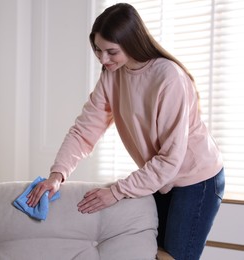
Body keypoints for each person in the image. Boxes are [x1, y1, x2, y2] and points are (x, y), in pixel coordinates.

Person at [27, 3, 225, 259]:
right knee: (152, 252)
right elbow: (84, 130)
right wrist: (57, 175)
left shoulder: (169, 78)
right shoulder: (112, 75)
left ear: (132, 42)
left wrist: (117, 192)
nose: (103, 59)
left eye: (111, 51)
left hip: (197, 179)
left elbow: (170, 158)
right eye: (98, 50)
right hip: (161, 177)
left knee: (173, 256)